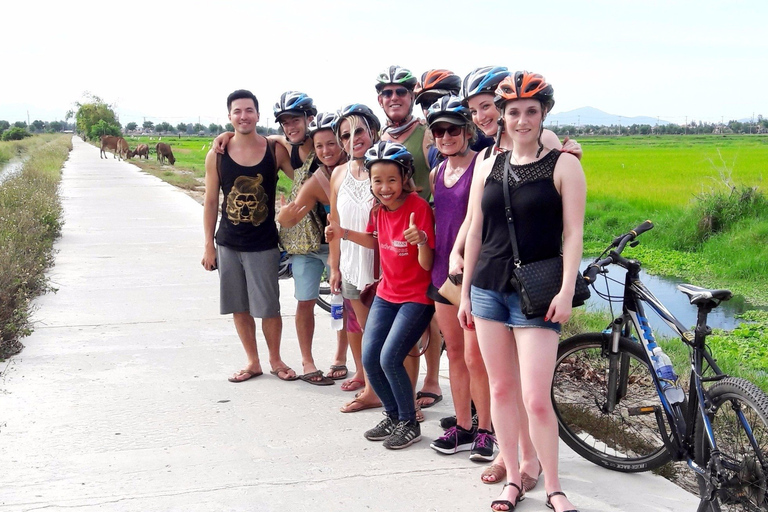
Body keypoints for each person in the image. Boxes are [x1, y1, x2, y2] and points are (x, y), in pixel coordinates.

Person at [458, 71, 586, 512]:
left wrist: (568, 289)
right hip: (489, 287)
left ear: (543, 114)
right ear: (501, 117)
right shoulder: (486, 164)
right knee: (502, 390)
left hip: (538, 292)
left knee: (535, 397)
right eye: (513, 112)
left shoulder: (564, 164)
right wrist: (464, 294)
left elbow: (573, 234)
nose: (521, 120)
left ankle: (553, 486)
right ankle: (513, 480)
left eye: (531, 111)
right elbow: (476, 230)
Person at [216, 91, 342, 385]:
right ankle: (269, 361)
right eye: (285, 122)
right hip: (299, 241)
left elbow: (309, 184)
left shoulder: (322, 145)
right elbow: (259, 143)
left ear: (309, 119)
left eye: (295, 120)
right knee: (294, 302)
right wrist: (226, 134)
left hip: (335, 237)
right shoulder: (285, 147)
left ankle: (336, 359)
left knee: (342, 301)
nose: (290, 127)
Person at [327, 141, 435, 449]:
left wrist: (421, 241)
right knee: (370, 358)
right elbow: (376, 241)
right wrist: (343, 233)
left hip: (416, 298)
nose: (384, 187)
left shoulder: (418, 208)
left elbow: (427, 264)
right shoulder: (379, 209)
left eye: (391, 180)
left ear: (404, 178)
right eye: (377, 180)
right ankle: (393, 415)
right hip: (387, 293)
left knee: (390, 358)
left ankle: (409, 422)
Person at [201, 89, 298, 383]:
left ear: (258, 114)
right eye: (237, 111)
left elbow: (302, 176)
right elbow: (209, 200)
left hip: (264, 243)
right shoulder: (217, 153)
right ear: (230, 116)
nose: (243, 116)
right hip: (228, 243)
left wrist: (283, 140)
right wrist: (208, 245)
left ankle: (276, 360)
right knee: (238, 306)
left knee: (269, 307)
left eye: (249, 111)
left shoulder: (273, 150)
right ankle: (252, 362)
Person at [423, 95, 496, 461]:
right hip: (441, 273)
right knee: (454, 352)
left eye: (453, 129)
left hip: (473, 274)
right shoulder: (437, 173)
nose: (446, 136)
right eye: (439, 131)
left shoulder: (483, 165)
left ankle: (486, 430)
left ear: (467, 131)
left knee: (474, 357)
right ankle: (464, 427)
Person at [376, 65, 443, 410]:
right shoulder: (382, 138)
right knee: (404, 328)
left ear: (411, 96)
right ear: (380, 99)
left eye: (400, 92)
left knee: (429, 312)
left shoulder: (429, 132)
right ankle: (405, 396)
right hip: (398, 236)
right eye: (387, 93)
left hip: (431, 226)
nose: (394, 98)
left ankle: (432, 378)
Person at [275, 111, 356, 387]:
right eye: (320, 146)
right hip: (310, 246)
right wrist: (283, 217)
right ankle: (307, 362)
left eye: (332, 143)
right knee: (305, 300)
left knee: (345, 301)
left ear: (343, 141)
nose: (325, 150)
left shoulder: (359, 168)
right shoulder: (316, 180)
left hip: (345, 244)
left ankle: (340, 357)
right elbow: (292, 215)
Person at [327, 104, 383, 413]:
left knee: (384, 333)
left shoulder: (386, 166)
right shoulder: (338, 174)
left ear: (372, 131)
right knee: (363, 328)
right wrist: (334, 267)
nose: (353, 139)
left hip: (385, 265)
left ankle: (381, 389)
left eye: (359, 131)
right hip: (351, 264)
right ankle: (369, 381)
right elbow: (334, 226)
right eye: (345, 135)